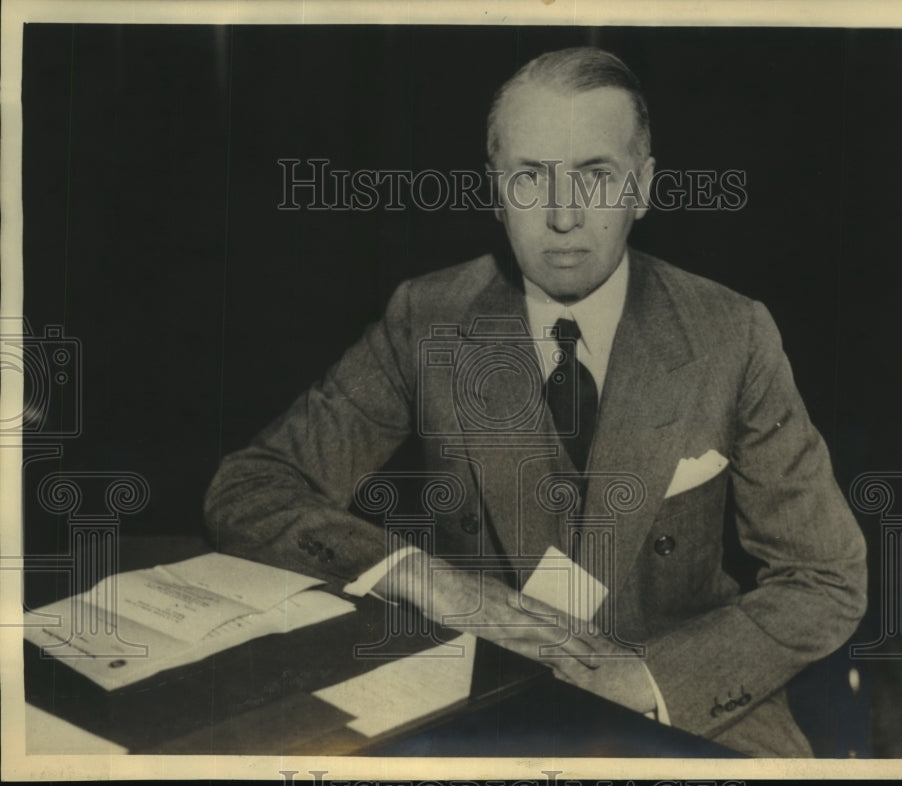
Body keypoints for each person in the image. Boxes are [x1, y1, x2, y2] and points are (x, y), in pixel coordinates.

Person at [204, 47, 867, 757]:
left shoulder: (731, 333)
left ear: (642, 188)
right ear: (494, 190)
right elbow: (249, 489)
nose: (562, 216)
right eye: (530, 177)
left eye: (596, 175)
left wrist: (649, 680)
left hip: (687, 698)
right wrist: (426, 582)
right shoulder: (427, 319)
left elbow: (826, 577)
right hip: (482, 694)